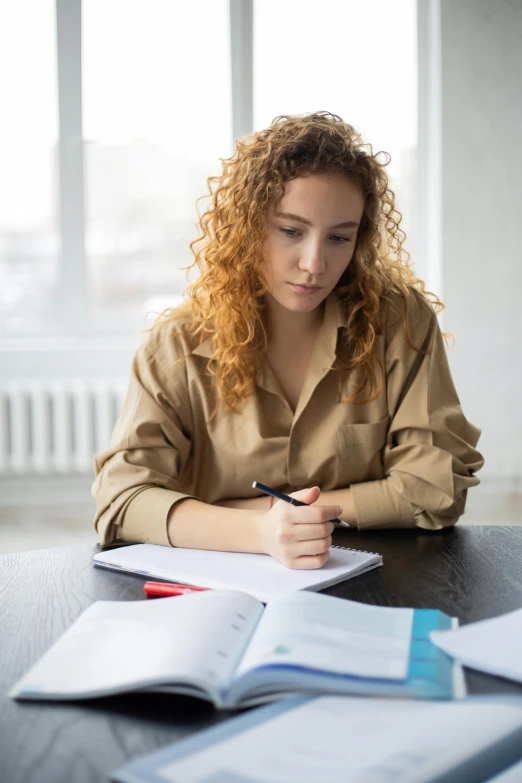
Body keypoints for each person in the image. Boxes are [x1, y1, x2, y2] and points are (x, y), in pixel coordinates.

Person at [92, 111, 484, 569]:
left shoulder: (401, 323)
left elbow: (437, 488)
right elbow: (120, 500)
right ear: (248, 227)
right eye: (291, 231)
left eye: (339, 237)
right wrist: (259, 531)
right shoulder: (176, 345)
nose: (315, 263)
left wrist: (264, 515)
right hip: (218, 585)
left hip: (375, 579)